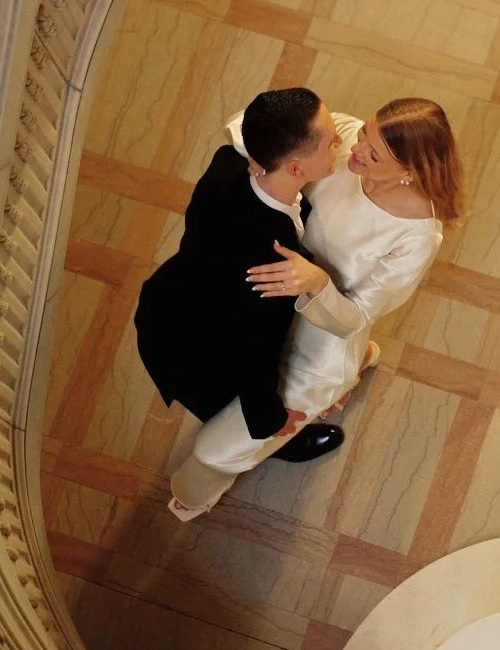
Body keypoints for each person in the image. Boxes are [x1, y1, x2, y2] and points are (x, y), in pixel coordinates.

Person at [167, 97, 464, 520]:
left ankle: (189, 498)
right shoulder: (342, 138)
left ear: (409, 173)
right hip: (262, 301)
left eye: (373, 152)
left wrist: (317, 283)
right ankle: (358, 364)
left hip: (322, 333)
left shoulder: (416, 238)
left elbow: (358, 315)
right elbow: (254, 130)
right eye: (365, 132)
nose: (354, 146)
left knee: (213, 449)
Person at [134, 86, 343, 471]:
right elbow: (255, 352)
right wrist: (270, 417)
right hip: (190, 346)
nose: (340, 143)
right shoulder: (270, 272)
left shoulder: (230, 161)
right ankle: (282, 444)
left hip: (178, 292)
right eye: (331, 143)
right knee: (237, 407)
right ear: (295, 168)